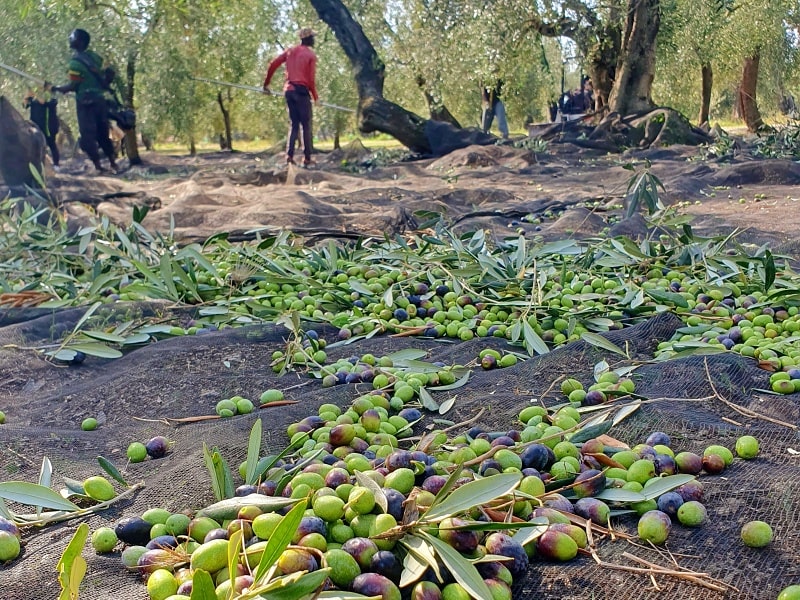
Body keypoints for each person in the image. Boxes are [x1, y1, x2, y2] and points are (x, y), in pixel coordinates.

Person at [51, 29, 118, 173]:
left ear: (80, 41)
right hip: (100, 101)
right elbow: (107, 72)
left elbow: (73, 86)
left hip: (85, 104)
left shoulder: (75, 63)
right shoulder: (94, 57)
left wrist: (57, 88)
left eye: (72, 37)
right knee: (103, 132)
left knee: (87, 138)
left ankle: (99, 167)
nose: (70, 39)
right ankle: (113, 164)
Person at [263, 27, 319, 167]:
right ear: (308, 39)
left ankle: (289, 156)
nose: (314, 40)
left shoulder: (290, 51)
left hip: (289, 90)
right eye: (313, 37)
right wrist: (316, 97)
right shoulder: (310, 55)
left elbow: (273, 64)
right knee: (305, 125)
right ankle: (306, 158)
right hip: (301, 91)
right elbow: (311, 80)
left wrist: (266, 84)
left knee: (294, 124)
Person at [23, 85, 60, 169]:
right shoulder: (33, 100)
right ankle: (36, 165)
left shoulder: (51, 99)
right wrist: (26, 96)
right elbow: (25, 105)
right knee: (35, 146)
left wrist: (36, 96)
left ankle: (56, 165)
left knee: (51, 145)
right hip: (36, 127)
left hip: (49, 127)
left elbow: (43, 102)